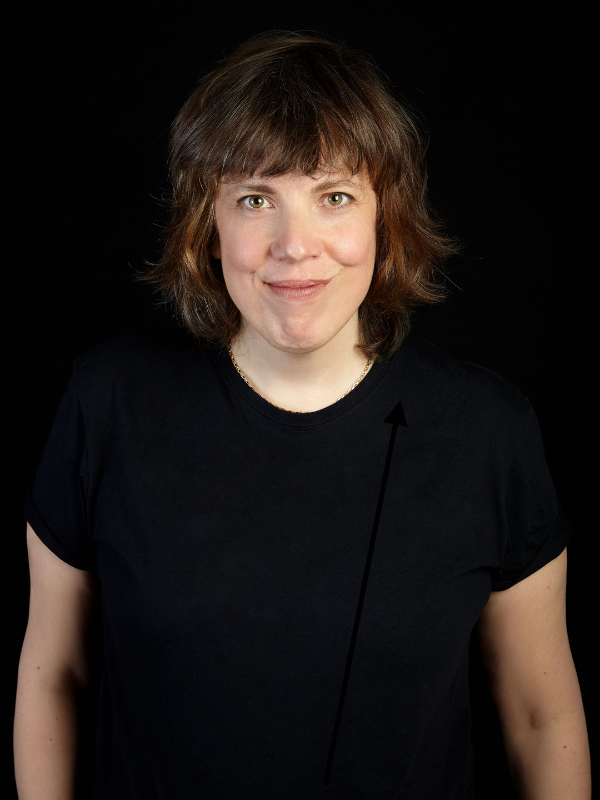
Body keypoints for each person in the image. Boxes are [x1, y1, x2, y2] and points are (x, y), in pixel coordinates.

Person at [14, 29, 591, 800]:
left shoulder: (488, 432)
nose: (295, 245)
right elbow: (56, 674)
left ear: (386, 217)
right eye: (256, 199)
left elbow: (537, 716)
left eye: (335, 197)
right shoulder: (107, 402)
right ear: (206, 223)